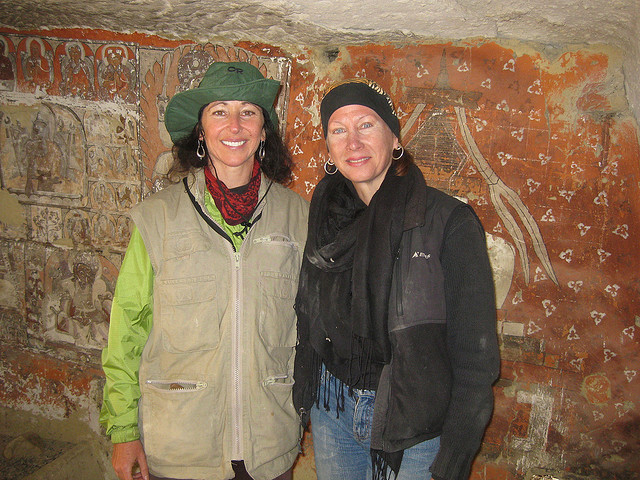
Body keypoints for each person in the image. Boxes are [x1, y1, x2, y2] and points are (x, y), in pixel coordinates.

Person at [100, 61, 309, 480]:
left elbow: (313, 327)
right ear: (200, 131)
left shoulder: (298, 217)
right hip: (180, 449)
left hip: (268, 447)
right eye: (219, 112)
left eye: (248, 112)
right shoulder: (157, 218)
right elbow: (126, 332)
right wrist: (123, 431)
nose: (234, 125)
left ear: (264, 131)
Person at [293, 78, 500, 480]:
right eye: (339, 130)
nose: (353, 142)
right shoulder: (324, 218)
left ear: (394, 139)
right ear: (330, 150)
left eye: (366, 125)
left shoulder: (448, 223)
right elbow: (308, 317)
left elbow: (476, 356)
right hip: (331, 406)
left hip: (414, 419)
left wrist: (456, 452)